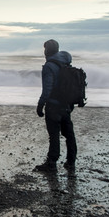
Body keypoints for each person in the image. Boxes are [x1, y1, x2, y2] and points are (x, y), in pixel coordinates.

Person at [34, 39, 77, 172]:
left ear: (47, 51)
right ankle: (71, 161)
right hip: (66, 104)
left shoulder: (49, 66)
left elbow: (47, 88)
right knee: (69, 134)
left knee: (54, 135)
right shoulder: (65, 63)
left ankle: (51, 163)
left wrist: (40, 105)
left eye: (45, 49)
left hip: (53, 106)